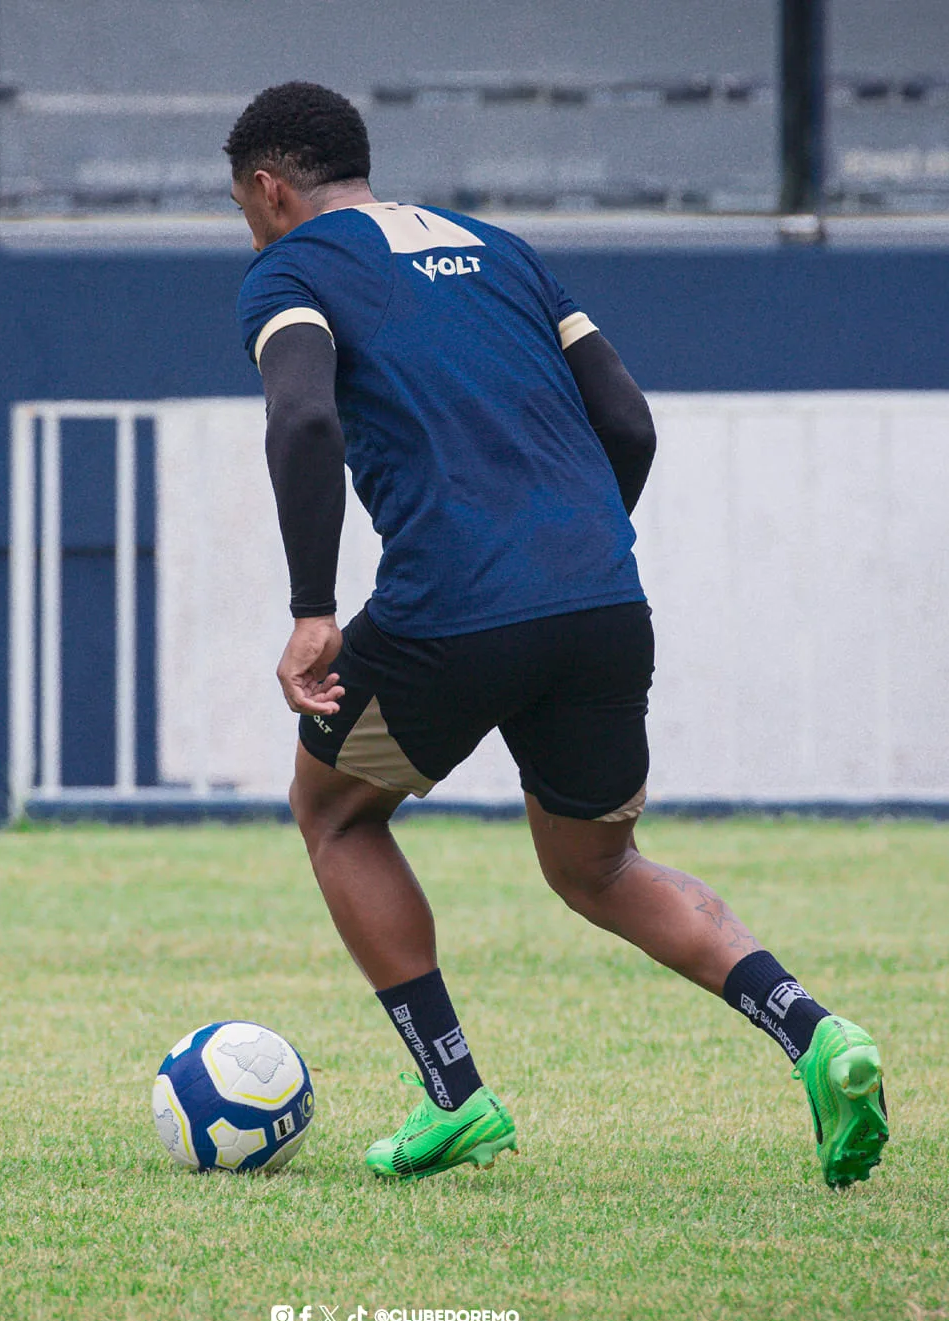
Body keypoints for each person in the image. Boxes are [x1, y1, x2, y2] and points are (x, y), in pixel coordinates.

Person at [224, 82, 888, 1187]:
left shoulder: (290, 270)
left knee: (335, 811)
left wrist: (311, 609)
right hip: (599, 603)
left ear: (267, 188)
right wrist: (570, 551)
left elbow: (301, 416)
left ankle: (455, 1097)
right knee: (599, 864)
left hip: (450, 613)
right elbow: (627, 420)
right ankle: (815, 1031)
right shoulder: (502, 251)